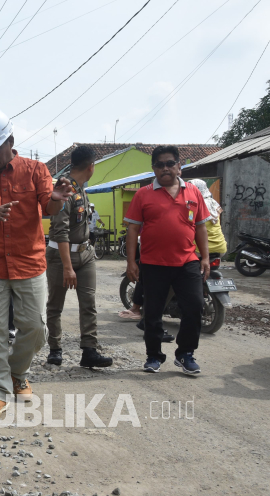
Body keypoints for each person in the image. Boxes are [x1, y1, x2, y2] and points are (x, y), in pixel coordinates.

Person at [0, 109, 73, 419]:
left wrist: (58, 198)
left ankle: (16, 371)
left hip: (29, 264)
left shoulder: (36, 170)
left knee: (36, 328)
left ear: (10, 140)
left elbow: (47, 205)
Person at [124, 145, 211, 375]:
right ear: (153, 168)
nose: (165, 168)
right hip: (153, 263)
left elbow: (201, 227)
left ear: (178, 166)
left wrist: (205, 257)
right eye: (160, 164)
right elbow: (133, 230)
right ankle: (154, 356)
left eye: (170, 163)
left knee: (194, 306)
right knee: (152, 312)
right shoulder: (143, 194)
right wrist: (131, 262)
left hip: (187, 261)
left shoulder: (193, 192)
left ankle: (185, 354)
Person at [45, 146, 113, 368]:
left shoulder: (81, 188)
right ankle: (55, 350)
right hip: (61, 258)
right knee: (55, 306)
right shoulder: (65, 189)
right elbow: (60, 230)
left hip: (85, 255)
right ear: (91, 166)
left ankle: (89, 351)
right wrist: (67, 267)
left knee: (89, 304)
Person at [190, 179, 227, 256]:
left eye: (190, 189)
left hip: (200, 250)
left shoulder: (194, 205)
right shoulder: (213, 202)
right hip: (221, 248)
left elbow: (189, 222)